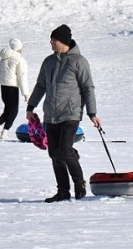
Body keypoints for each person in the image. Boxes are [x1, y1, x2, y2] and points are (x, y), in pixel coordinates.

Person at [26, 25, 101, 202]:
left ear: (63, 41)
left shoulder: (79, 61)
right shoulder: (48, 62)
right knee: (54, 153)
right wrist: (31, 107)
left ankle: (79, 183)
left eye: (54, 39)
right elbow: (41, 85)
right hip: (51, 114)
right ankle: (63, 191)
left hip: (70, 113)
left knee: (66, 150)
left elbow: (88, 88)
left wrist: (92, 113)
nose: (51, 42)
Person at [0, 38, 30, 139]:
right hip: (12, 88)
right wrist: (25, 93)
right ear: (19, 49)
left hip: (4, 88)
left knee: (8, 110)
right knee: (13, 111)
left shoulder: (3, 59)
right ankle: (5, 132)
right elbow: (22, 77)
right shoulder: (20, 60)